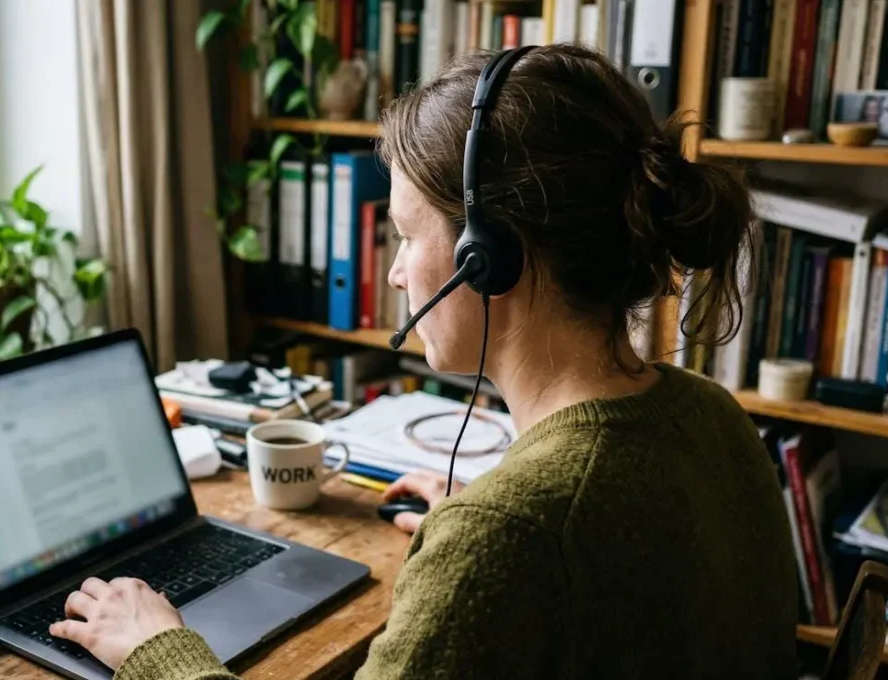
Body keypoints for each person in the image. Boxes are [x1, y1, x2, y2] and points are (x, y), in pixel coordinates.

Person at [49, 45, 798, 679]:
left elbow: (539, 537)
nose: (397, 273)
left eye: (408, 235)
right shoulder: (710, 413)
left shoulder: (504, 534)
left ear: (490, 256)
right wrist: (486, 531)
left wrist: (157, 650)